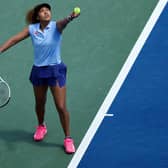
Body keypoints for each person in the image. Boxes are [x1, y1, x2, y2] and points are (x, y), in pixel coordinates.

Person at [0, 3, 80, 154]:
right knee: (39, 102)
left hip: (55, 71)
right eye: (42, 11)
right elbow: (14, 40)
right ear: (37, 17)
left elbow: (63, 23)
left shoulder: (56, 26)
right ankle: (41, 126)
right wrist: (0, 50)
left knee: (61, 107)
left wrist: (70, 17)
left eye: (47, 10)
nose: (46, 12)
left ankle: (68, 138)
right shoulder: (32, 29)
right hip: (38, 71)